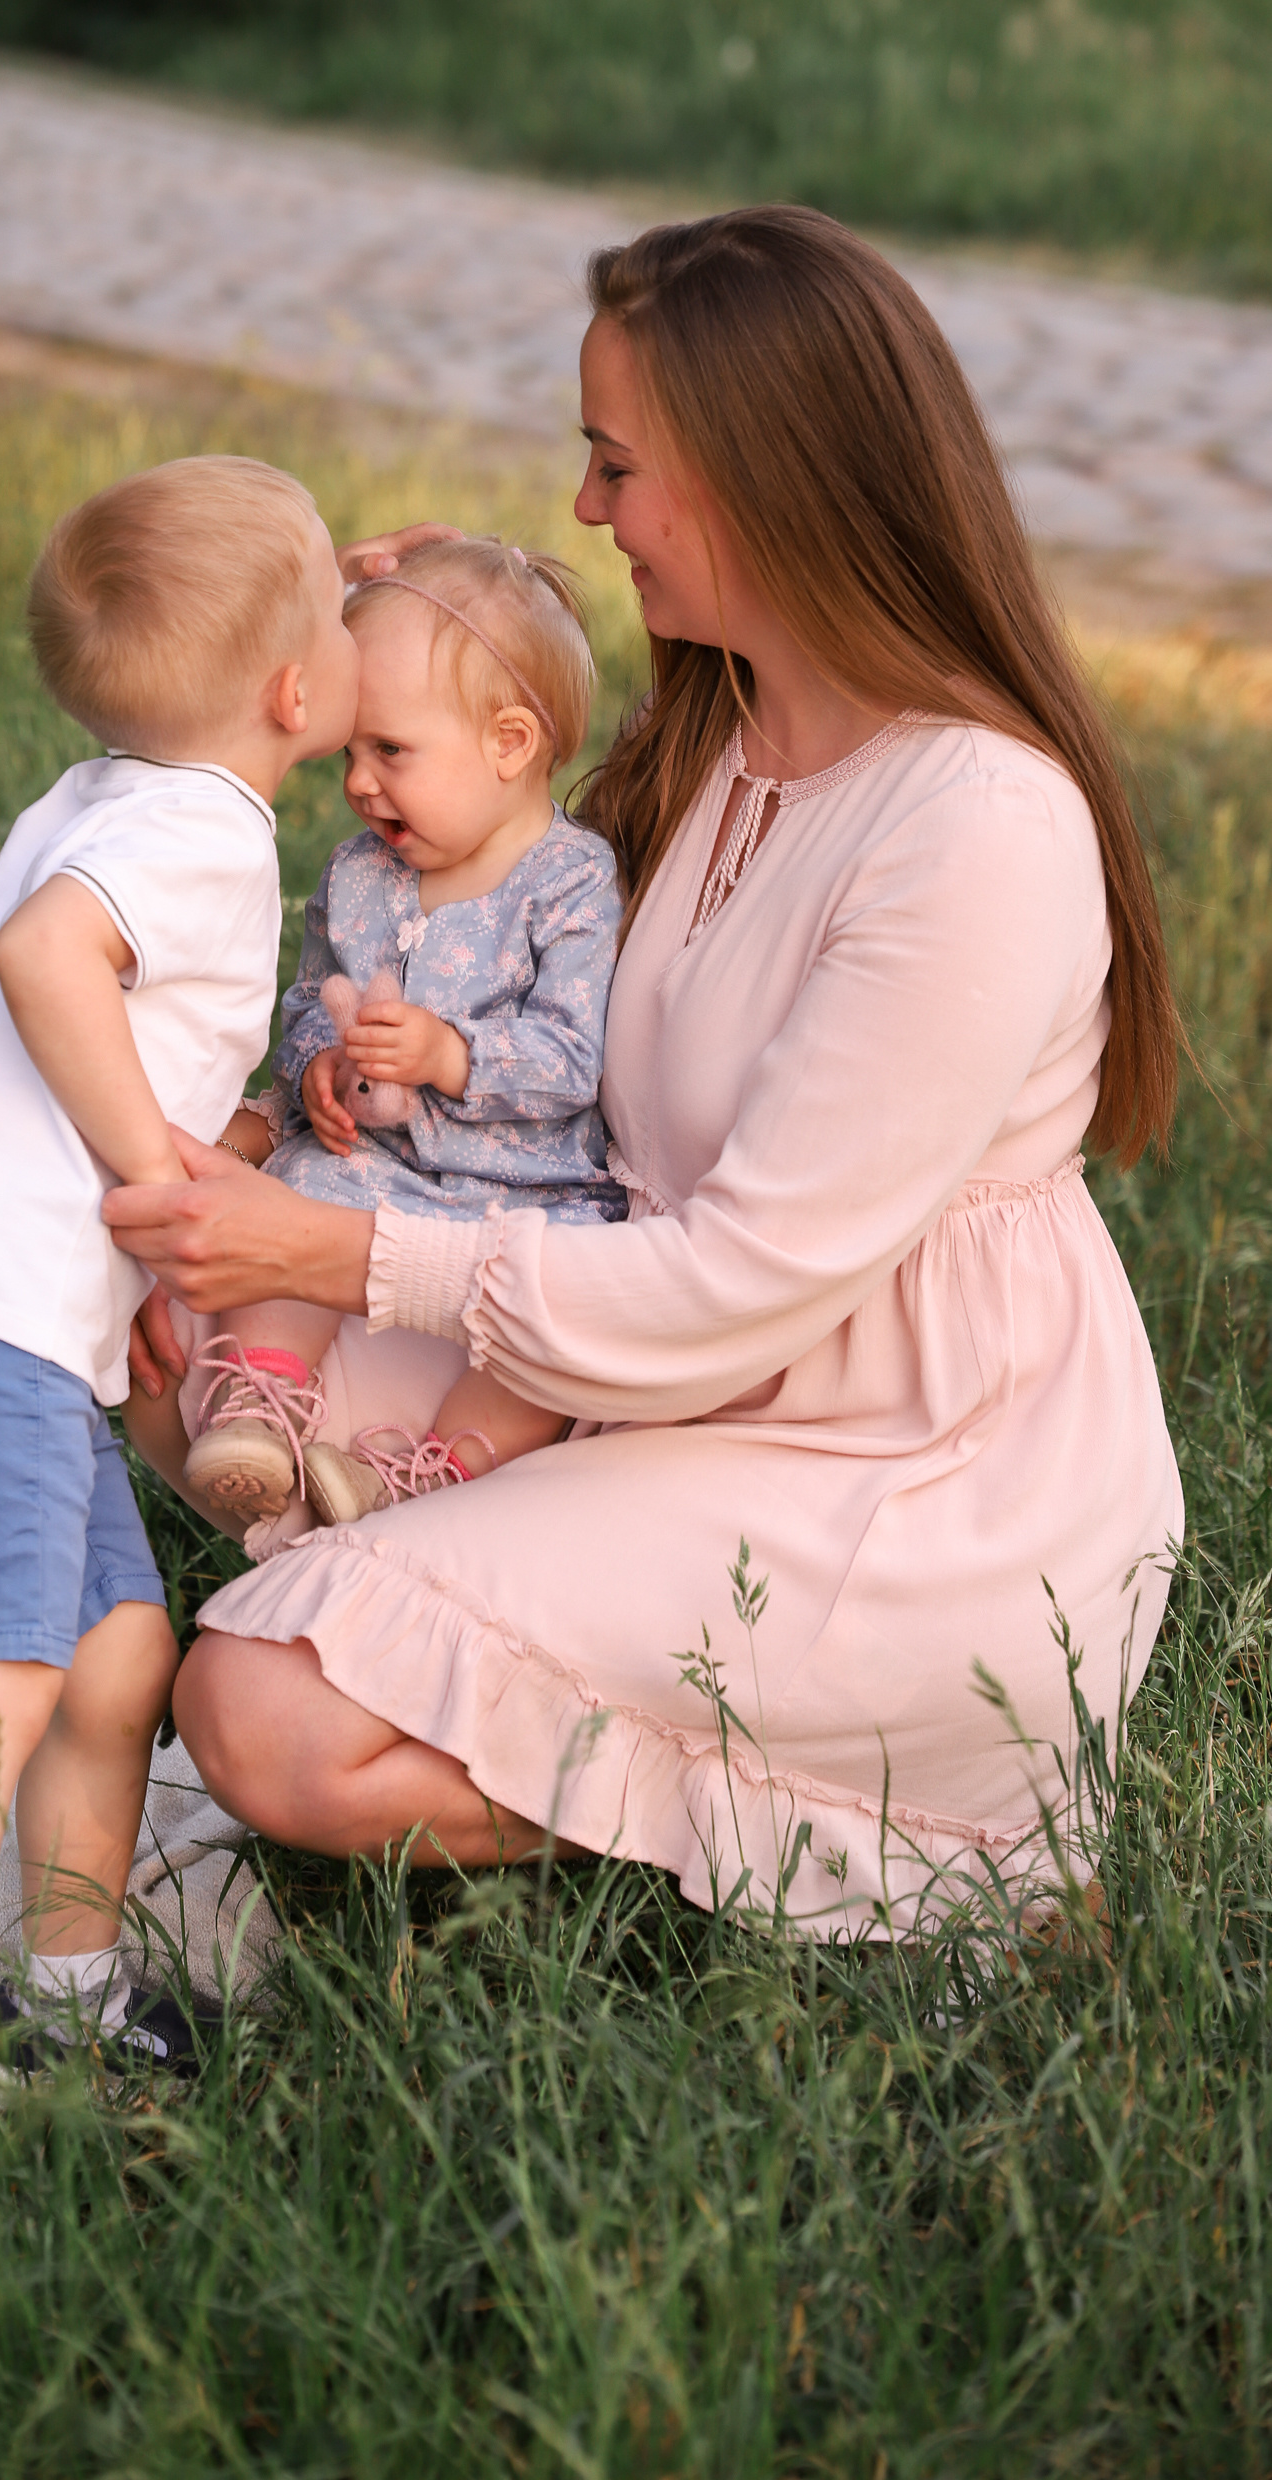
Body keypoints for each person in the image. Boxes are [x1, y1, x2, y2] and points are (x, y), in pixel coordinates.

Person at [108, 205, 1186, 1937]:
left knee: (260, 1712)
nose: (583, 511)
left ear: (764, 483)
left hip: (893, 1478)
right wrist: (447, 635)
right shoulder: (724, 735)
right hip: (639, 1380)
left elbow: (736, 1281)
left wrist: (325, 1252)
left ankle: (901, 1833)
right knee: (161, 1345)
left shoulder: (975, 825)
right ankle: (485, 1641)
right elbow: (477, 860)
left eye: (615, 467)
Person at [0, 454, 361, 2163]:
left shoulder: (124, 782)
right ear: (289, 690)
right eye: (337, 605)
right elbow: (47, 963)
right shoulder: (191, 829)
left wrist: (182, 1193)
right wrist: (159, 1192)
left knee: (121, 1660)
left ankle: (75, 1981)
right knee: (9, 1676)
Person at [164, 536, 625, 1544]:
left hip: (524, 1190)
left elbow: (574, 1056)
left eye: (391, 752)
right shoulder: (359, 872)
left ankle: (429, 1474)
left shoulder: (572, 882)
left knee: (551, 1321)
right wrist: (317, 1067)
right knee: (295, 1192)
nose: (360, 785)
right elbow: (302, 1004)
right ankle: (262, 1404)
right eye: (348, 755)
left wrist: (449, 1056)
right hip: (375, 1168)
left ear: (508, 744)